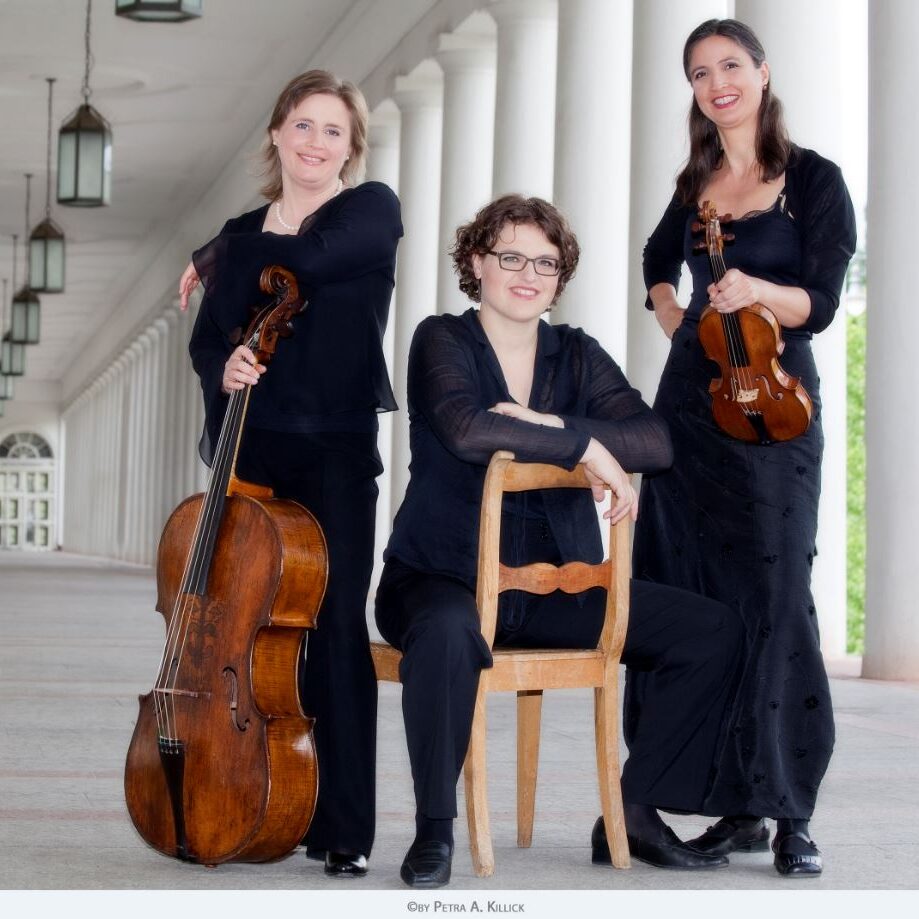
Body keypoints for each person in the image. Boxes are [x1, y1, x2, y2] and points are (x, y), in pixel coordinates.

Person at [375, 195, 745, 888]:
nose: (527, 273)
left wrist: (542, 418)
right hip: (438, 579)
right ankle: (434, 829)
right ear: (477, 263)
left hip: (555, 584)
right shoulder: (441, 341)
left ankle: (632, 812)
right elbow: (465, 427)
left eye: (544, 262)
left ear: (558, 276)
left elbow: (654, 441)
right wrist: (582, 444)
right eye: (510, 256)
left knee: (710, 629)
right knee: (450, 635)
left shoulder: (576, 354)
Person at [634, 19, 856, 877]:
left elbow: (823, 301)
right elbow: (658, 256)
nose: (715, 82)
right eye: (699, 72)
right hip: (689, 407)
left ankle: (789, 806)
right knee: (694, 594)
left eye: (729, 65)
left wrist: (754, 286)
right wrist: (670, 310)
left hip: (772, 409)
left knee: (773, 591)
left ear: (761, 72)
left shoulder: (811, 181)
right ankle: (732, 809)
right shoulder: (695, 182)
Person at [182, 70, 402, 877]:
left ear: (351, 147)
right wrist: (226, 363)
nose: (315, 143)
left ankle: (342, 824)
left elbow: (310, 258)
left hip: (335, 450)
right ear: (275, 134)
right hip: (253, 446)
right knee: (241, 630)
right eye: (302, 126)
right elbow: (208, 341)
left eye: (332, 131)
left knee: (335, 626)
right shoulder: (243, 230)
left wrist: (215, 258)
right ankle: (257, 793)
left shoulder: (369, 210)